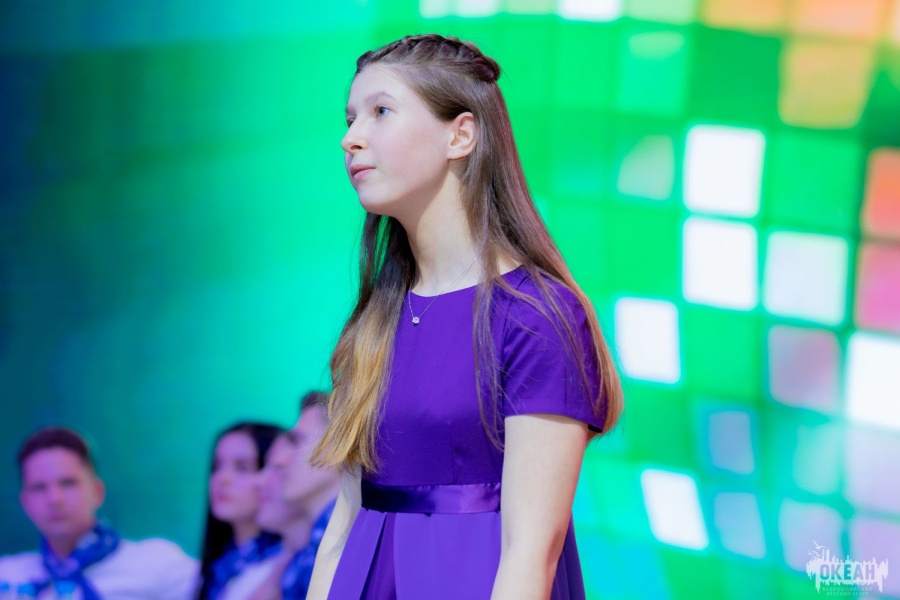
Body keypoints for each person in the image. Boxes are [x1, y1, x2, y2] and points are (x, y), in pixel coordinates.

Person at [306, 34, 625, 600]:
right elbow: (342, 527)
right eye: (351, 119)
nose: (350, 138)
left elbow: (533, 548)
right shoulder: (376, 320)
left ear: (460, 135)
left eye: (381, 112)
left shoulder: (534, 316)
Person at [0, 426, 198, 599]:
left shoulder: (157, 563)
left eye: (68, 483)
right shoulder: (9, 575)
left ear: (97, 492)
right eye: (39, 488)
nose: (54, 499)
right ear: (25, 502)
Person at [249, 392, 340, 600]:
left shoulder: (346, 551)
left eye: (297, 442)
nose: (281, 461)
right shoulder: (309, 556)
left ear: (341, 448)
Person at [196, 422, 285, 600]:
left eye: (242, 468)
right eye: (217, 466)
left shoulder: (281, 568)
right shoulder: (220, 566)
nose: (223, 479)